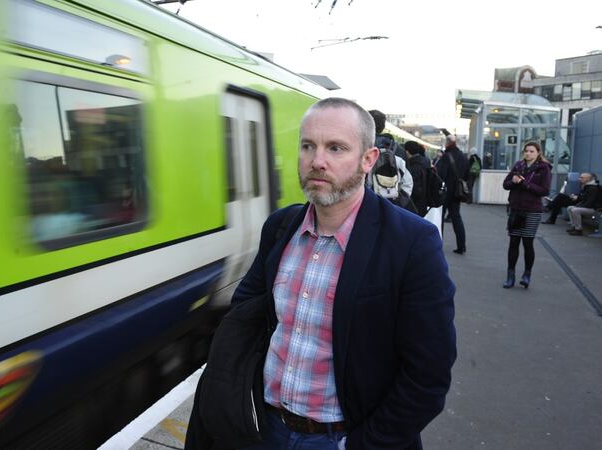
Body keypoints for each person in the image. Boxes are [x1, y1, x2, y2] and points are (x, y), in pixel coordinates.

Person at [186, 98, 457, 450]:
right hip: (263, 429)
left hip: (340, 438)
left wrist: (360, 445)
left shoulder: (411, 243)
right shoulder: (280, 228)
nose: (317, 161)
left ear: (368, 159)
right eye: (307, 146)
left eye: (336, 148)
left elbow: (428, 375)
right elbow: (243, 321)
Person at [501, 142, 552, 289]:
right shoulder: (518, 166)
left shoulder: (544, 168)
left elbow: (544, 190)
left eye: (531, 151)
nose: (528, 154)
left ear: (538, 153)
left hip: (532, 210)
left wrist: (524, 184)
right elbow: (506, 184)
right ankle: (510, 276)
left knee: (528, 243)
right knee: (514, 242)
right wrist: (514, 181)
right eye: (526, 151)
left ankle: (527, 274)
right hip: (516, 209)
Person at [366, 110, 414, 211]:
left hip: (365, 204)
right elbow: (408, 180)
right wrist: (400, 202)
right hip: (392, 204)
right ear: (383, 126)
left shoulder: (361, 146)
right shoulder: (398, 149)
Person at [436, 134, 470, 254]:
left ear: (448, 143)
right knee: (456, 217)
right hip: (457, 192)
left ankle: (438, 244)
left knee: (440, 217)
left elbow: (440, 174)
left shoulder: (446, 156)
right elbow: (467, 174)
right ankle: (462, 246)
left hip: (446, 192)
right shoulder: (463, 156)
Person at [404, 140, 431, 217]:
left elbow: (415, 188)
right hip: (423, 202)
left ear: (407, 152)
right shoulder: (424, 162)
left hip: (416, 205)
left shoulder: (413, 166)